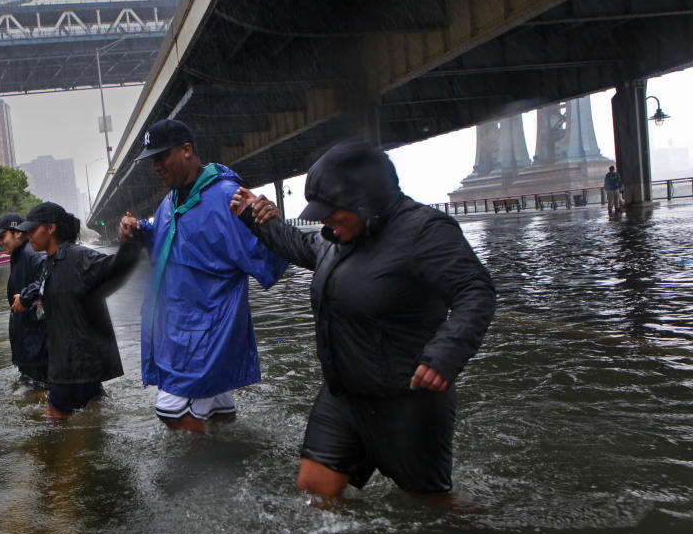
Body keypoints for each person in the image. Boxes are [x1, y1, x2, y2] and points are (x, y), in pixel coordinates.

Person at [230, 139, 495, 499]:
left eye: (333, 216)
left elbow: (474, 291)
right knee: (314, 491)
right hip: (345, 394)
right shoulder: (340, 237)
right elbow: (303, 247)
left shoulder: (425, 231)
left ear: (366, 202)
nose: (327, 225)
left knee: (430, 509)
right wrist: (253, 217)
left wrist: (446, 354)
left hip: (407, 401)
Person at [119, 119, 287, 432]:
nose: (155, 166)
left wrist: (272, 225)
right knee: (219, 418)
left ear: (186, 150)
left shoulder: (227, 198)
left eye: (161, 156)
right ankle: (236, 460)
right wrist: (140, 231)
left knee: (171, 411)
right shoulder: (169, 202)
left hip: (207, 332)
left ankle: (203, 478)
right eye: (152, 160)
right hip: (182, 330)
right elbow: (168, 243)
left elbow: (271, 263)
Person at [15, 202, 139, 418]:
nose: (29, 236)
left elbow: (115, 266)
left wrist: (128, 241)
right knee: (93, 415)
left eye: (33, 230)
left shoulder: (79, 257)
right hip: (68, 364)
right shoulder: (49, 264)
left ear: (51, 228)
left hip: (75, 366)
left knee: (52, 426)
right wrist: (29, 297)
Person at [0, 213, 48, 389]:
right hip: (29, 349)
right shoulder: (20, 255)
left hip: (37, 351)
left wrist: (27, 297)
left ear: (18, 233)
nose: (0, 242)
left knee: (38, 400)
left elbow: (50, 276)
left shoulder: (32, 254)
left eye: (2, 236)